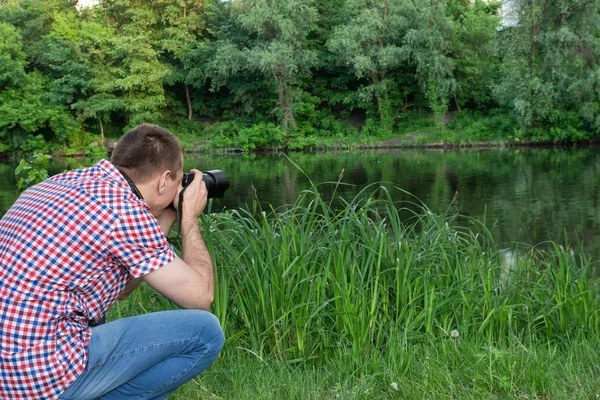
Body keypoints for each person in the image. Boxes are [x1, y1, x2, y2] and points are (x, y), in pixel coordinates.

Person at [0, 123, 225, 399]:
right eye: (179, 182)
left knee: (95, 314)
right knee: (206, 332)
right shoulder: (126, 213)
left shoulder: (58, 184)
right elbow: (201, 297)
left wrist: (164, 220)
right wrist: (189, 215)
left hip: (7, 371)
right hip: (39, 374)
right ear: (164, 180)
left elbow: (123, 292)